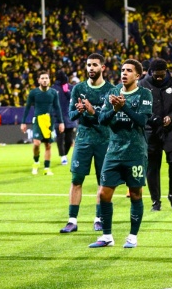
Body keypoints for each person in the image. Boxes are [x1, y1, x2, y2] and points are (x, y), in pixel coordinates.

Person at [88, 59, 153, 249]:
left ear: (138, 75)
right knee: (103, 193)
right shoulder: (113, 92)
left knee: (135, 194)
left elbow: (142, 121)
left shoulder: (144, 94)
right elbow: (102, 119)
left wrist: (123, 107)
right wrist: (114, 110)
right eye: (123, 70)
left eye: (129, 70)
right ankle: (107, 236)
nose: (124, 73)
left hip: (135, 152)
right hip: (114, 152)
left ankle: (132, 237)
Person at [60, 53, 113, 234]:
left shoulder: (111, 90)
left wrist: (92, 111)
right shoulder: (78, 88)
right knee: (76, 180)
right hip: (83, 139)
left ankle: (98, 219)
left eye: (95, 65)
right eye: (89, 65)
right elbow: (71, 115)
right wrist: (80, 110)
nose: (91, 68)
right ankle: (72, 221)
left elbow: (109, 118)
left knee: (102, 181)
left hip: (104, 140)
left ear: (102, 67)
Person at [139, 59, 172, 211]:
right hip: (150, 130)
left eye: (162, 75)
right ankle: (155, 200)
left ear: (166, 71)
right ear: (151, 72)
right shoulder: (143, 85)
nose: (159, 78)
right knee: (153, 166)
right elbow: (139, 107)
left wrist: (171, 117)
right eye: (156, 75)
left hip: (171, 129)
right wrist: (153, 119)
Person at [21, 72, 65, 175]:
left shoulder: (53, 92)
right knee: (36, 143)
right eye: (42, 78)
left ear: (49, 80)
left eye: (46, 78)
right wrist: (23, 122)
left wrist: (61, 122)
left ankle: (46, 168)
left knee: (48, 145)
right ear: (39, 80)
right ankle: (36, 162)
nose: (45, 80)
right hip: (38, 120)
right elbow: (27, 107)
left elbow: (57, 107)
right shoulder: (33, 92)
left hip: (49, 121)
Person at [54, 70, 76, 166]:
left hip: (69, 117)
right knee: (60, 138)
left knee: (69, 140)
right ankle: (63, 157)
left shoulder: (70, 87)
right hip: (58, 117)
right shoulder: (53, 89)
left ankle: (64, 154)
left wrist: (67, 92)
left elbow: (74, 99)